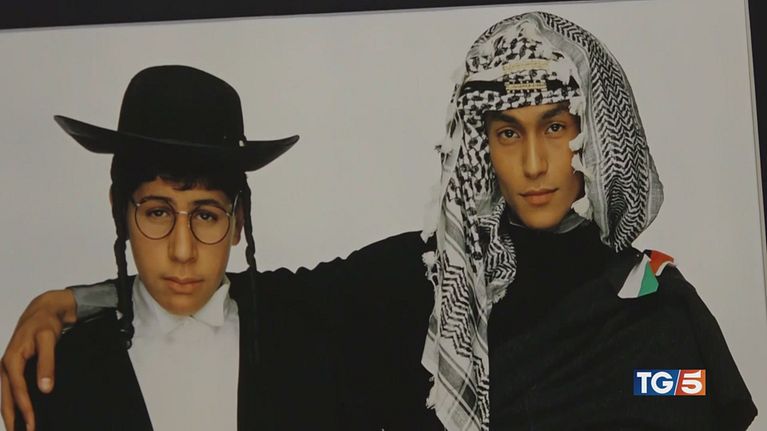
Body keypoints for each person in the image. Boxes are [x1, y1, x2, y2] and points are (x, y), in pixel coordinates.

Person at [2, 12, 758, 431]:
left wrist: (648, 386)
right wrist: (74, 300)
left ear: (596, 131)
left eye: (556, 127)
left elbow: (682, 389)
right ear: (478, 144)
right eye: (506, 132)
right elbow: (245, 294)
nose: (533, 163)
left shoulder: (652, 304)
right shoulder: (420, 277)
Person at [1, 64, 437, 431]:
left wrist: (76, 299)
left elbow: (438, 255)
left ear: (238, 221)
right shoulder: (57, 371)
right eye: (158, 213)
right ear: (120, 212)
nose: (183, 250)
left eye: (206, 215)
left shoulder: (309, 333)